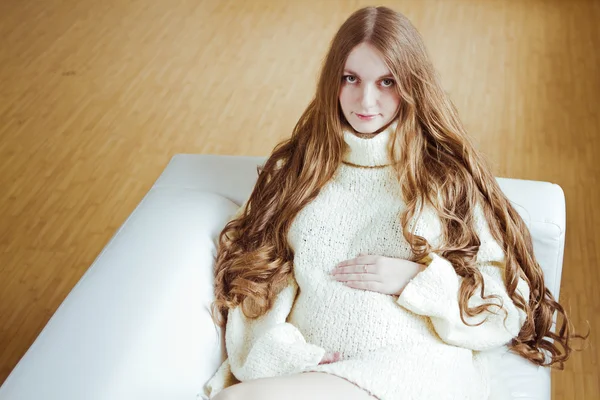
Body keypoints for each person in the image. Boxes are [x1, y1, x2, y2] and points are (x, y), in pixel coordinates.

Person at [202, 6, 584, 400]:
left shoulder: (444, 176)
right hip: (320, 365)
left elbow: (501, 304)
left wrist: (414, 279)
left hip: (412, 365)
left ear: (412, 85)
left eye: (387, 82)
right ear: (332, 80)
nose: (366, 100)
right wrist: (289, 353)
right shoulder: (296, 170)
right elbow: (256, 277)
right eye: (351, 79)